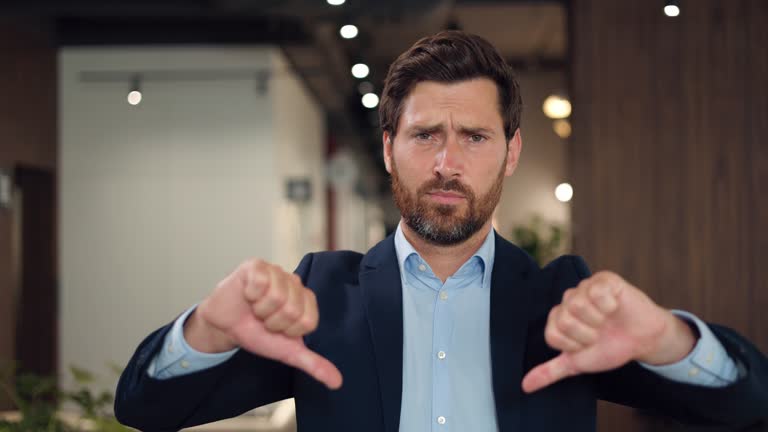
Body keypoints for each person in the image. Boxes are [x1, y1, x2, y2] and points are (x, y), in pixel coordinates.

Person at [115, 31, 767, 432]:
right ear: (391, 146)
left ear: (510, 154)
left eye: (475, 137)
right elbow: (144, 409)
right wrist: (207, 329)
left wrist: (668, 339)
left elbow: (746, 405)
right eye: (426, 135)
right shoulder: (321, 296)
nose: (447, 163)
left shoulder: (562, 303)